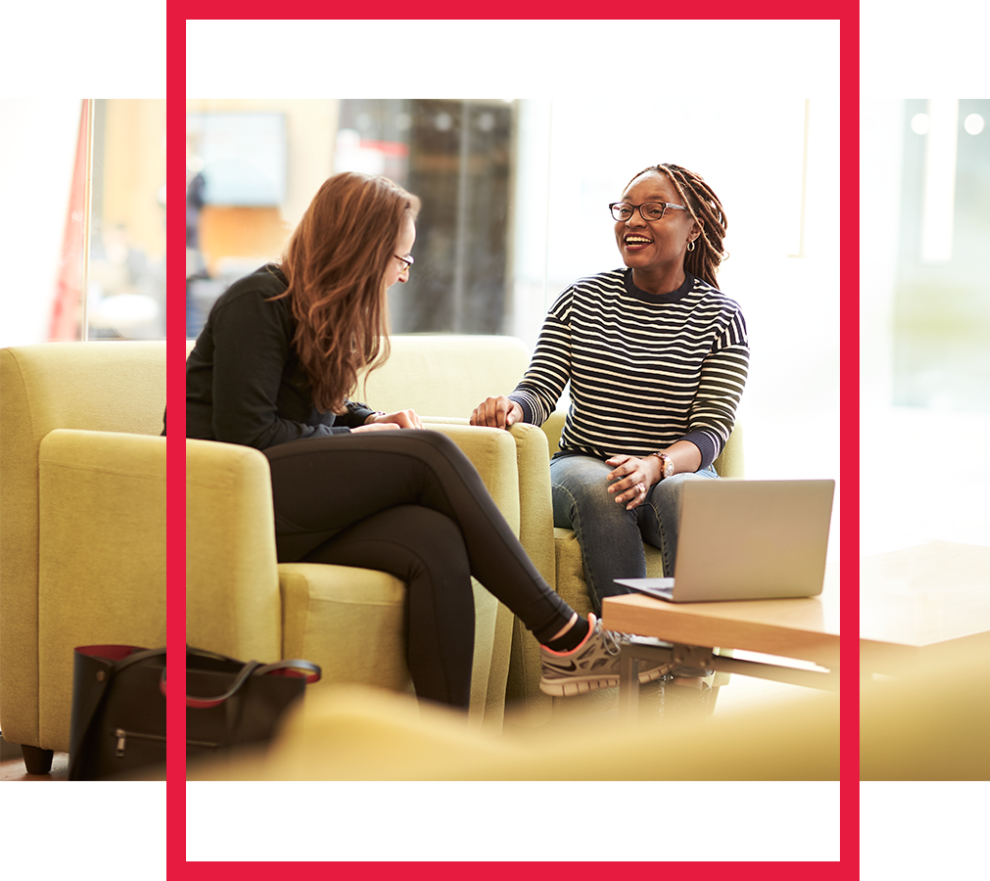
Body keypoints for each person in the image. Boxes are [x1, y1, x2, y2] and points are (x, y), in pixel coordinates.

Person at [184, 172, 672, 710]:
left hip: (283, 506)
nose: (403, 276)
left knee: (434, 540)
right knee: (430, 452)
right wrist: (359, 438)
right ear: (362, 250)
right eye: (401, 260)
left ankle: (442, 750)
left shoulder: (319, 314)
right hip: (228, 507)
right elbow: (247, 435)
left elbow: (314, 409)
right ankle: (564, 633)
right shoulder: (259, 300)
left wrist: (366, 421)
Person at [471, 163, 750, 703]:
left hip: (672, 468)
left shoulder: (722, 316)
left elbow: (713, 431)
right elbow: (540, 391)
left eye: (653, 210)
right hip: (579, 468)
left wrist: (657, 465)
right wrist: (511, 407)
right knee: (603, 486)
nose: (632, 221)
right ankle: (631, 655)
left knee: (686, 494)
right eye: (625, 209)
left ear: (692, 228)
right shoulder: (582, 300)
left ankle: (692, 667)